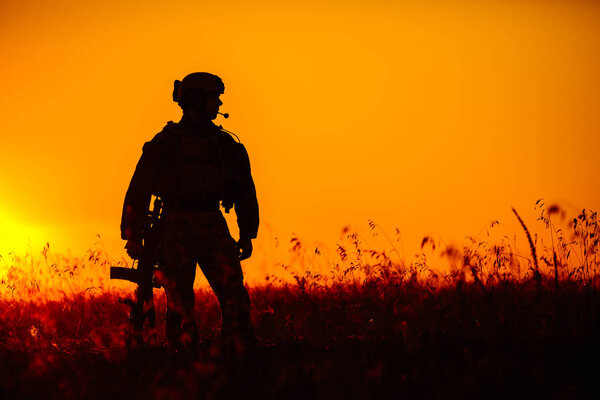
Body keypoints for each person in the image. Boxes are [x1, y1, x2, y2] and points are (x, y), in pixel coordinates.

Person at [120, 72, 259, 354]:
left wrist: (247, 233)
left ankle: (237, 356)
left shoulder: (226, 145)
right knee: (179, 303)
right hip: (174, 227)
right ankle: (184, 360)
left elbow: (244, 189)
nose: (219, 104)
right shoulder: (165, 143)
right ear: (197, 100)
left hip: (209, 223)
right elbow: (140, 187)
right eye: (213, 98)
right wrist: (133, 236)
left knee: (234, 295)